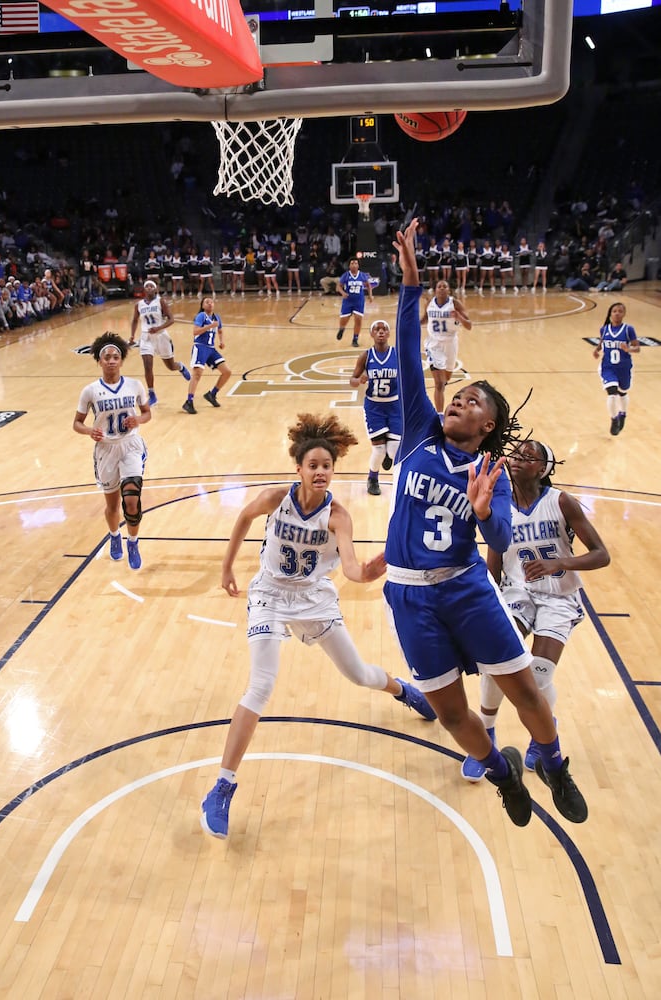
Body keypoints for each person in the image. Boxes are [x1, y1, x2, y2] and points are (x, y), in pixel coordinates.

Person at [383, 219, 588, 828]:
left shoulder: (491, 472)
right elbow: (410, 355)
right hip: (408, 595)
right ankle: (503, 773)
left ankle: (551, 760)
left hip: (467, 587)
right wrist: (412, 285)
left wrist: (481, 513)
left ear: (488, 428)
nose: (459, 400)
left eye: (474, 402)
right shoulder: (419, 429)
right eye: (459, 395)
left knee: (524, 690)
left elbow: (502, 539)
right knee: (450, 715)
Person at [199, 412, 436, 839]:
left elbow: (351, 570)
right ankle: (222, 786)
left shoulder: (339, 517)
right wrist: (227, 566)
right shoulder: (276, 499)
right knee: (261, 685)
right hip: (269, 596)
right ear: (300, 469)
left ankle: (401, 690)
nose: (321, 472)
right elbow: (242, 520)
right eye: (314, 466)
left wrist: (370, 571)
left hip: (313, 599)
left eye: (327, 466)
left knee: (360, 674)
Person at [461, 439, 610, 781]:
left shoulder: (561, 501)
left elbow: (602, 554)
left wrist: (559, 561)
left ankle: (542, 734)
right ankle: (486, 734)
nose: (518, 458)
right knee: (495, 662)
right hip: (517, 592)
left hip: (559, 596)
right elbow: (495, 554)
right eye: (516, 453)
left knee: (539, 676)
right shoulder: (501, 504)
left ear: (543, 469)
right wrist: (490, 594)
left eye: (529, 456)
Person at [72, 332, 151, 571]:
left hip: (130, 446)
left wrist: (138, 419)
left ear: (121, 360)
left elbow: (147, 413)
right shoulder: (90, 391)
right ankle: (114, 534)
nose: (111, 360)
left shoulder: (135, 385)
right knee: (113, 505)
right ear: (99, 360)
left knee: (132, 500)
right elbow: (77, 422)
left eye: (116, 356)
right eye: (107, 357)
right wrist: (89, 432)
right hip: (106, 449)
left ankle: (133, 542)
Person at [349, 319, 401, 496]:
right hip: (374, 407)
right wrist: (359, 380)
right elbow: (352, 381)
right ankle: (373, 478)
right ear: (371, 334)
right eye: (376, 329)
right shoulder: (366, 356)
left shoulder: (397, 354)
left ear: (388, 333)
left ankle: (388, 454)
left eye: (384, 329)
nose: (380, 331)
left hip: (395, 406)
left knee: (393, 451)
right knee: (378, 449)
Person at [129, 280, 190, 405]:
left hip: (161, 336)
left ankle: (180, 367)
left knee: (170, 366)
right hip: (146, 337)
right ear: (144, 290)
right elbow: (135, 320)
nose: (149, 288)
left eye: (152, 286)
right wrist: (132, 335)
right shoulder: (138, 305)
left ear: (155, 289)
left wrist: (158, 328)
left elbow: (171, 319)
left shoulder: (160, 301)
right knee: (147, 366)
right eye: (147, 286)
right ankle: (152, 394)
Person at [421, 279, 473, 414]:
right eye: (440, 286)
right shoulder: (430, 303)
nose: (442, 288)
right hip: (434, 344)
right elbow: (425, 319)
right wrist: (412, 324)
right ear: (436, 289)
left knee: (446, 379)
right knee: (438, 383)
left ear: (449, 290)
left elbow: (469, 325)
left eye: (445, 286)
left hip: (450, 343)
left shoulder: (455, 303)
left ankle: (442, 392)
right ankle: (439, 415)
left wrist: (459, 317)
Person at [592, 301, 640, 435]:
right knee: (612, 393)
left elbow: (637, 348)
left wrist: (629, 348)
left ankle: (622, 414)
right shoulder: (604, 329)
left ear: (624, 314)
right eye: (614, 311)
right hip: (608, 367)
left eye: (620, 311)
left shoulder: (628, 329)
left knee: (622, 392)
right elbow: (601, 343)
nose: (617, 313)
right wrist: (596, 350)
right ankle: (614, 419)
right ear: (610, 313)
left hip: (624, 367)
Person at [183, 295, 232, 414]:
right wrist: (210, 326)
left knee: (227, 372)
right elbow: (195, 332)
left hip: (211, 349)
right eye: (207, 302)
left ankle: (212, 394)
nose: (210, 303)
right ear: (203, 305)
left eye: (211, 302)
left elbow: (220, 330)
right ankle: (189, 402)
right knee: (197, 374)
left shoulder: (217, 317)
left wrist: (221, 341)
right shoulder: (201, 316)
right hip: (200, 347)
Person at [335, 257, 374, 348]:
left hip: (359, 301)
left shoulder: (362, 275)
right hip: (348, 301)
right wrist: (342, 293)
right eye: (352, 263)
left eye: (355, 263)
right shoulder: (346, 275)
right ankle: (342, 329)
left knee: (358, 320)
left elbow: (368, 285)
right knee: (344, 320)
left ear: (358, 265)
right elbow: (339, 287)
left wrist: (370, 295)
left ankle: (355, 339)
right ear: (349, 265)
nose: (354, 265)